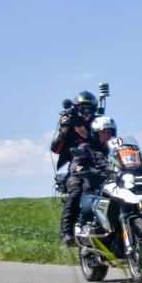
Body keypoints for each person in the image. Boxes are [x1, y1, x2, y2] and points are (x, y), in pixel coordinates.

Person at [51, 91, 98, 246]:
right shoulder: (69, 124)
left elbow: (105, 147)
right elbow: (55, 149)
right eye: (83, 109)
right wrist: (63, 132)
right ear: (76, 109)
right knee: (77, 191)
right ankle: (66, 233)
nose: (86, 113)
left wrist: (88, 136)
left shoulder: (97, 125)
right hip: (69, 169)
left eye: (89, 109)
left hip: (93, 167)